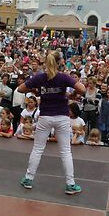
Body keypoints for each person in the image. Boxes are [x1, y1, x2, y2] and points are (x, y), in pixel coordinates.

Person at [17, 50, 86, 194]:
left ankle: (29, 179)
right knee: (66, 152)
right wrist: (71, 93)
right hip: (62, 117)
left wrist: (36, 89)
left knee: (37, 149)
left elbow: (20, 88)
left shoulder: (39, 77)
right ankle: (70, 184)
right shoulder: (63, 77)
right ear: (60, 62)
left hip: (45, 117)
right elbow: (83, 89)